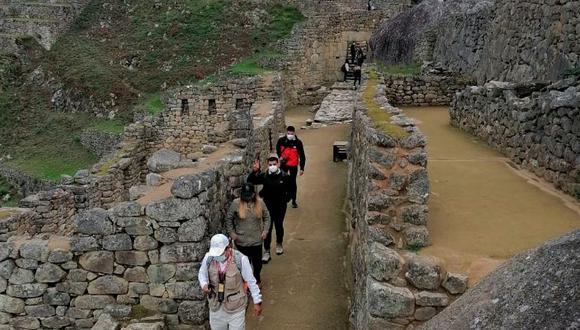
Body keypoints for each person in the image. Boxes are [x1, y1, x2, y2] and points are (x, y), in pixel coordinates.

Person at [199, 234, 263, 330]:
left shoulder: (241, 259)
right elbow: (202, 273)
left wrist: (257, 301)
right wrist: (204, 284)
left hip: (236, 307)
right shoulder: (208, 257)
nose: (217, 256)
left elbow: (251, 281)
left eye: (220, 253)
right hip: (216, 307)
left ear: (228, 248)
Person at [248, 154, 292, 263]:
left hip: (281, 205)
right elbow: (251, 181)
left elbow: (291, 189)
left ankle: (279, 244)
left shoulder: (285, 176)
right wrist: (255, 171)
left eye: (274, 164)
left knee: (279, 225)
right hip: (268, 206)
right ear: (267, 165)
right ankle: (267, 251)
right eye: (270, 164)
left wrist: (286, 200)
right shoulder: (264, 175)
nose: (272, 166)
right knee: (268, 227)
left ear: (278, 164)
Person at [225, 183, 270, 284]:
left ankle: (257, 280)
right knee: (244, 265)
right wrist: (232, 233)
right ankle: (245, 283)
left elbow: (267, 217)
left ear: (254, 194)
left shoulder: (260, 203)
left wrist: (265, 230)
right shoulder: (236, 203)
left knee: (257, 264)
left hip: (256, 240)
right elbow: (228, 219)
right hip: (241, 241)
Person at [276, 126, 306, 208]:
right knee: (282, 182)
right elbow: (278, 149)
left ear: (294, 133)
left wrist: (302, 168)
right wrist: (280, 157)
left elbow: (302, 156)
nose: (290, 135)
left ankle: (293, 200)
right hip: (284, 164)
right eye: (288, 133)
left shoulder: (298, 143)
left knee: (293, 183)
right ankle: (283, 198)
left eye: (291, 133)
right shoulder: (281, 141)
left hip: (293, 165)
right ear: (286, 132)